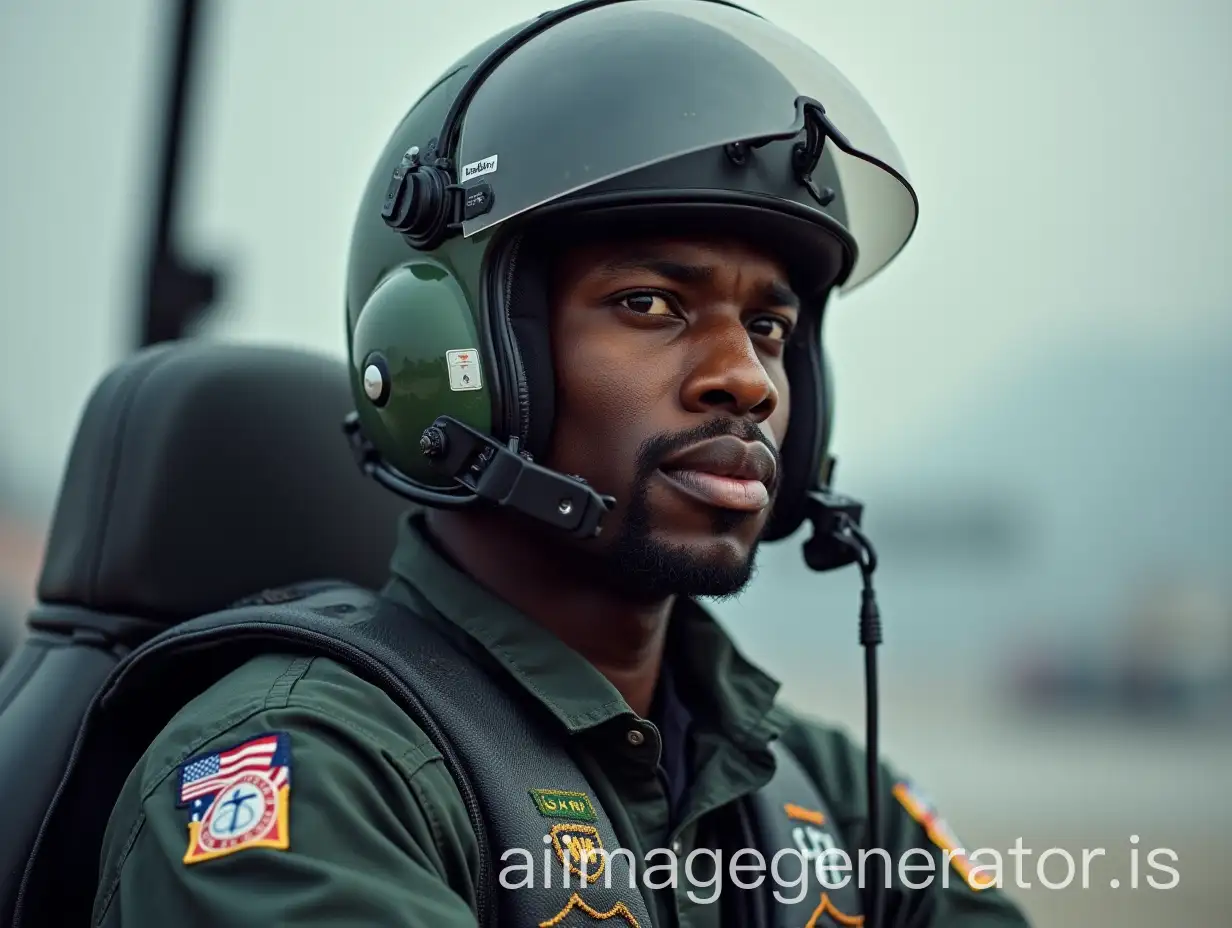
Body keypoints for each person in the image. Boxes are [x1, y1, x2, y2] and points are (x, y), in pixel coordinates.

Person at [93, 2, 1032, 926]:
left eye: (769, 327)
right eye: (651, 304)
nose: (747, 382)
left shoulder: (829, 795)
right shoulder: (315, 774)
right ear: (462, 363)